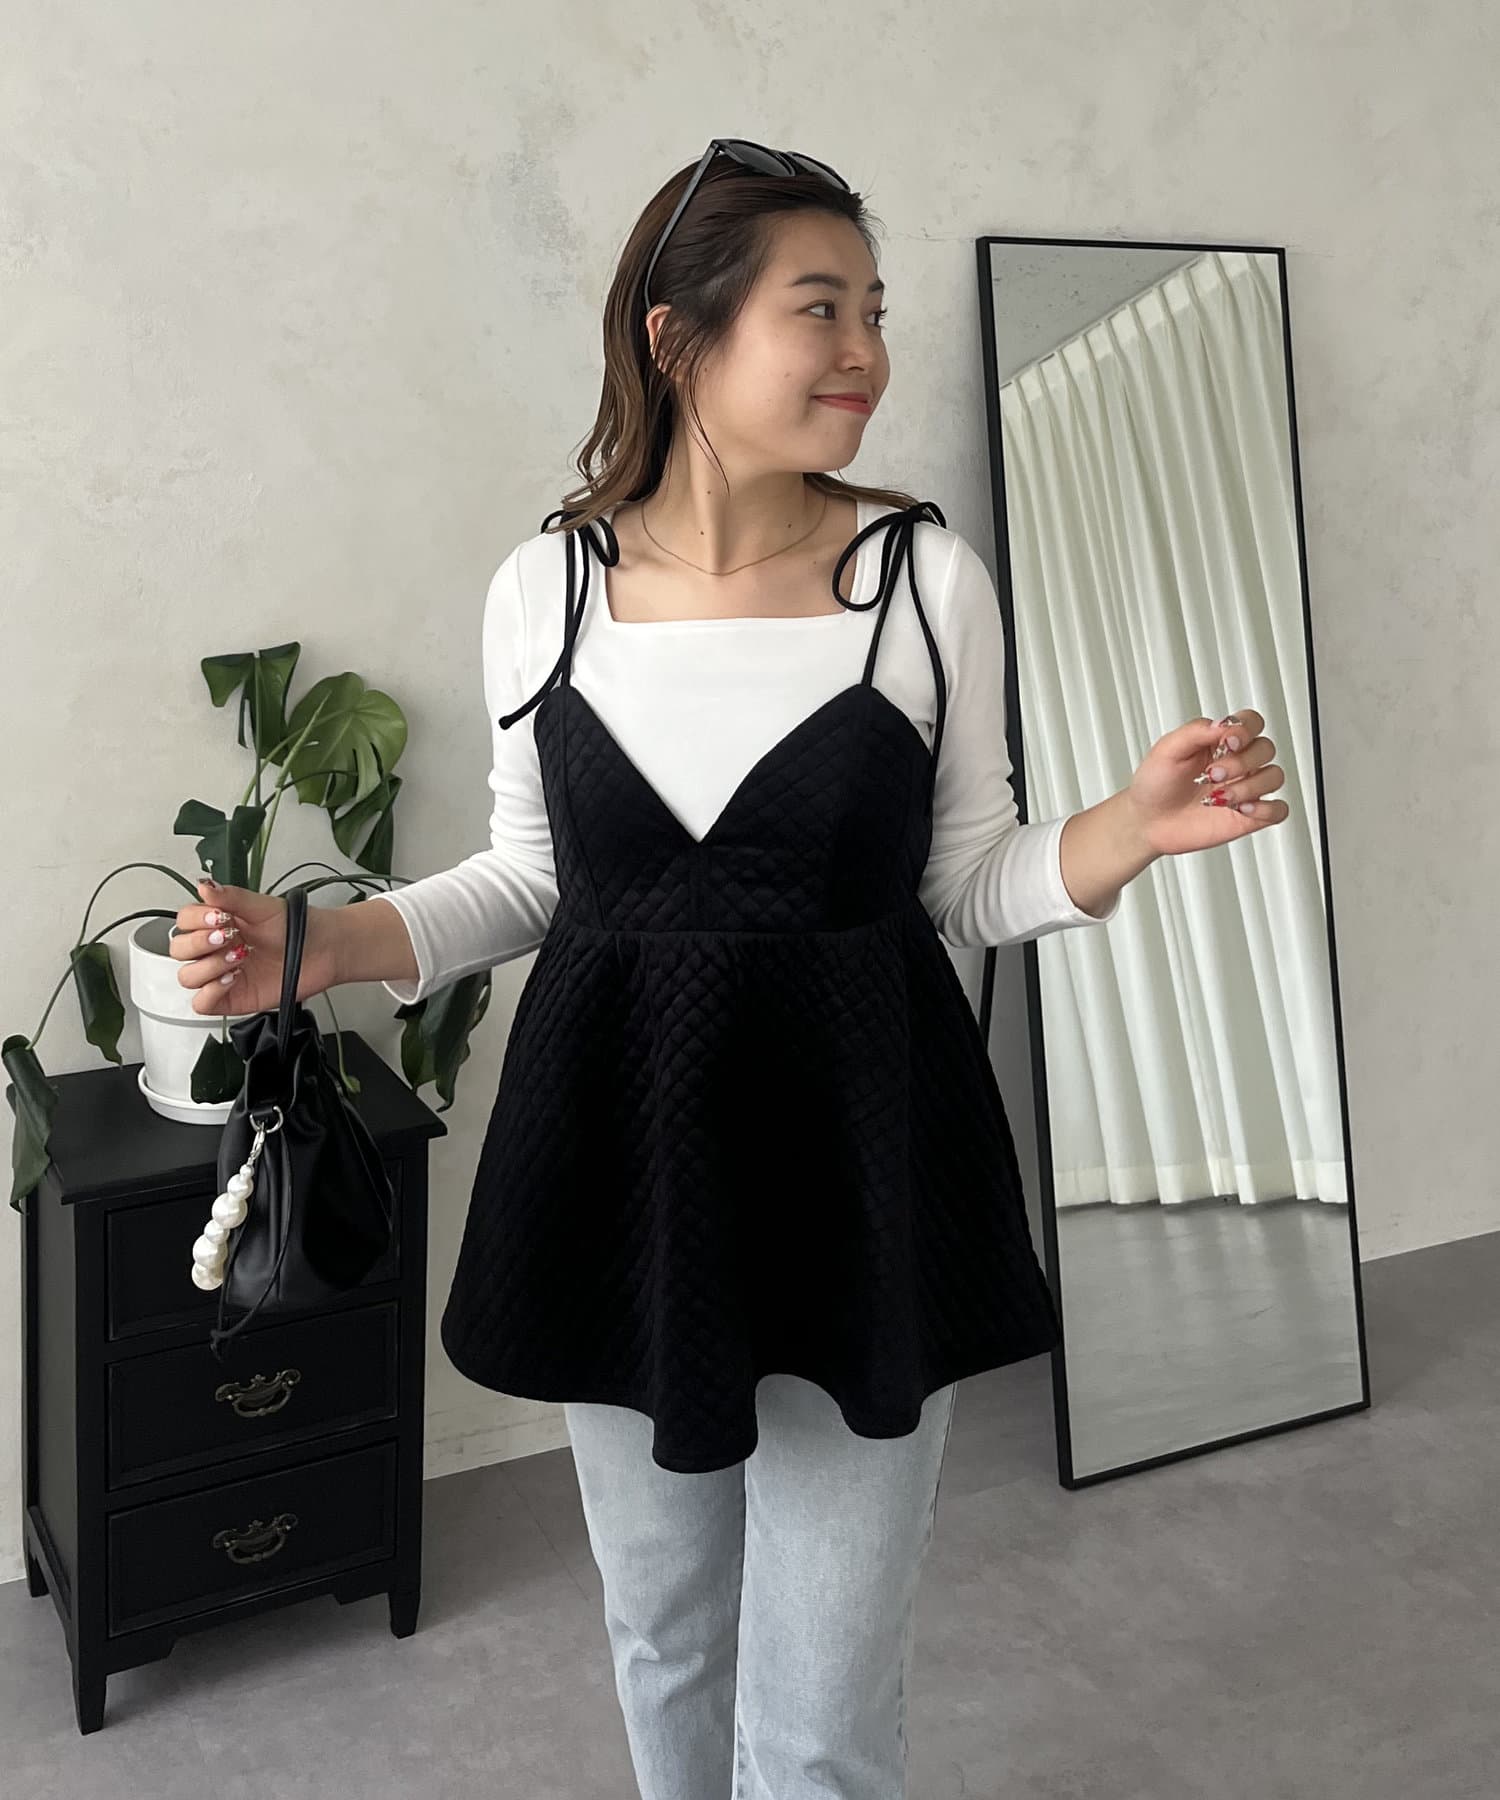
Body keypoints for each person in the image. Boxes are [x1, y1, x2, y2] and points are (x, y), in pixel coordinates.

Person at [171, 142, 1284, 1800]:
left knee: (823, 1716)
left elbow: (966, 884)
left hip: (865, 1169)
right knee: (664, 1635)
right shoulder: (545, 591)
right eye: (820, 309)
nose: (867, 354)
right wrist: (318, 946)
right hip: (620, 1168)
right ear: (676, 335)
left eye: (876, 312)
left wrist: (1126, 827)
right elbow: (535, 880)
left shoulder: (925, 585)